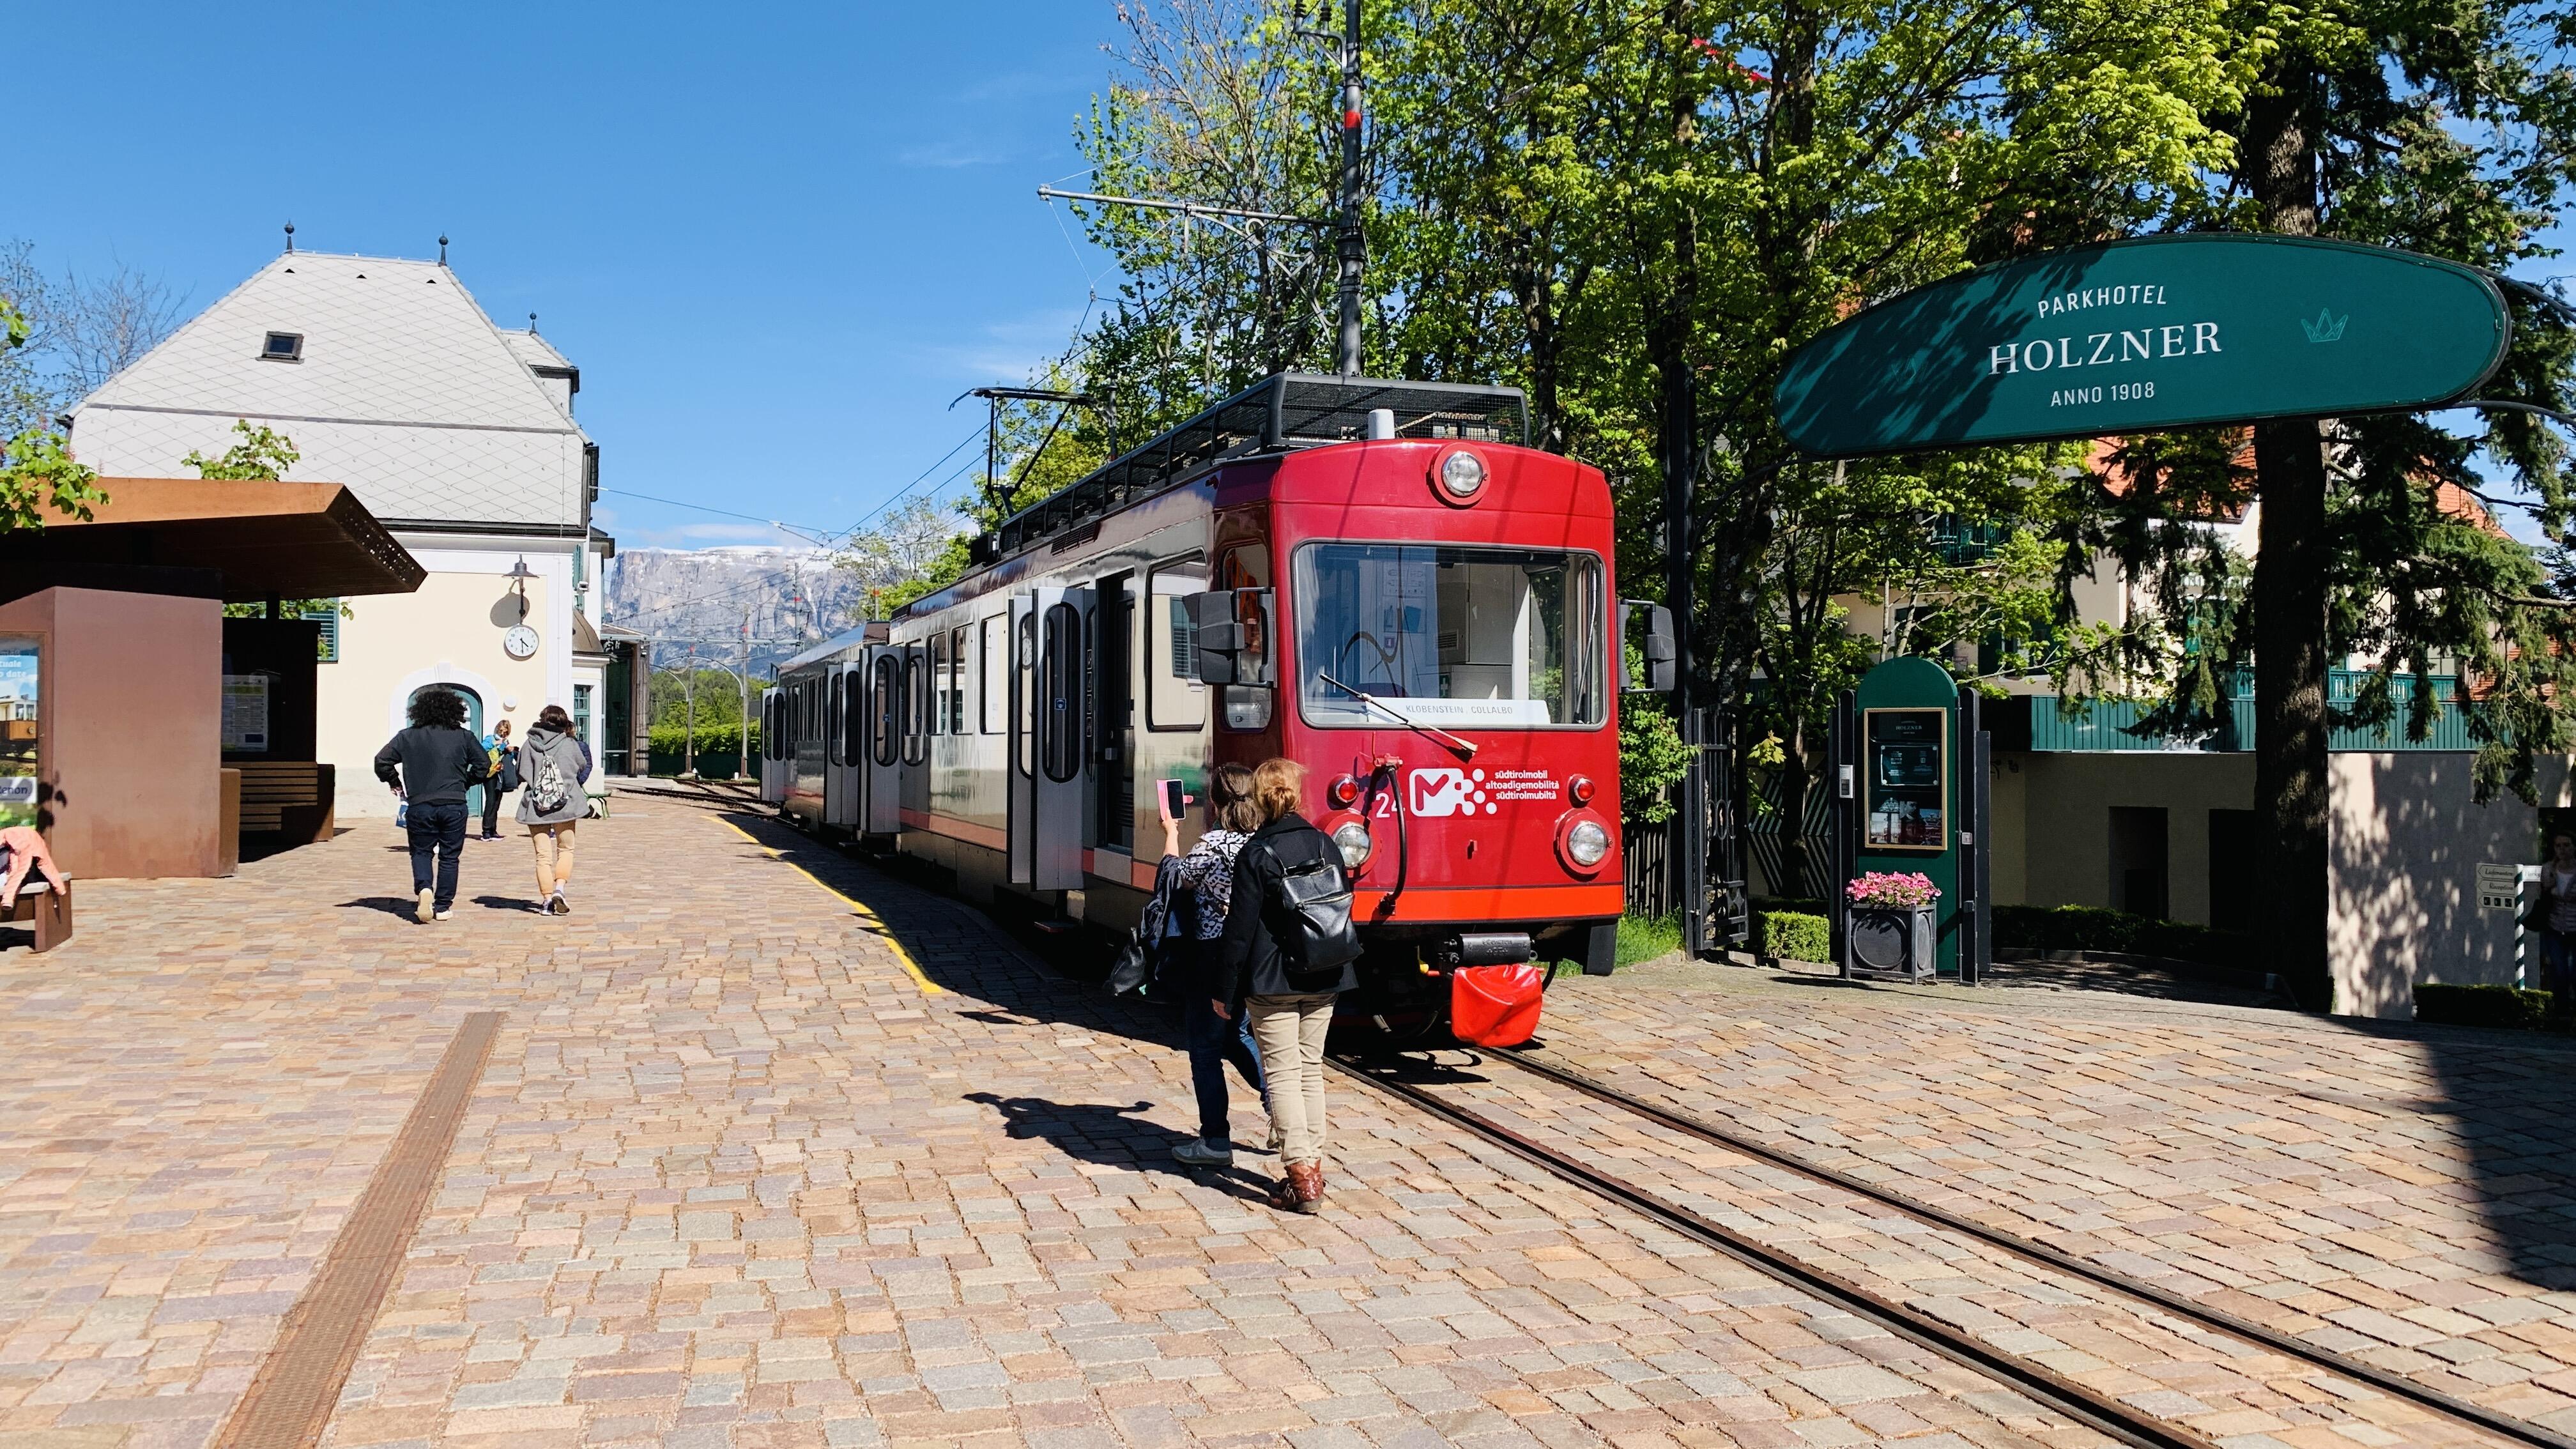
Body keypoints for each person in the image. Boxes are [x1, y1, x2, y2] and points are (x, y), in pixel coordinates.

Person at [1214, 758, 1358, 1213]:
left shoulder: (1256, 853)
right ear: (1297, 795)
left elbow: (1239, 933)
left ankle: (1302, 1175)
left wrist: (1224, 990)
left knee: (1281, 1073)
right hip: (1325, 972)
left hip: (1271, 981)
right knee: (1310, 1068)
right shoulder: (1324, 843)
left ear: (1259, 797)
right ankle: (1312, 1161)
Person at [1160, 763, 1265, 1168]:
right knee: (1237, 1034)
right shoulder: (1261, 841)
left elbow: (1175, 880)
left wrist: (1171, 834)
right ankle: (1280, 1109)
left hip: (1212, 956)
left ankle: (1216, 1141)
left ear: (1216, 803)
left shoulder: (1213, 844)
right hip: (1252, 955)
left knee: (1205, 1048)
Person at [373, 689, 490, 923]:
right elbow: (483, 764)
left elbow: (382, 761)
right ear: (455, 711)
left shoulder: (407, 736)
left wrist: (394, 782)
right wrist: (466, 782)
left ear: (419, 712)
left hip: (420, 805)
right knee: (450, 857)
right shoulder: (464, 737)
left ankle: (425, 888)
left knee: (421, 851)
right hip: (454, 804)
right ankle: (443, 906)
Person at [516, 705, 592, 915]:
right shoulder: (569, 744)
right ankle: (560, 888)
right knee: (566, 849)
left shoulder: (529, 744)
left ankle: (547, 900)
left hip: (536, 806)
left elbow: (520, 771)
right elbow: (581, 765)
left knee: (542, 856)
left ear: (542, 720)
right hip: (566, 804)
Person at [2528, 831, 2576, 1018]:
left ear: (2574, 847)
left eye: (2566, 845)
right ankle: (2561, 1014)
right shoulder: (2548, 869)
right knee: (2559, 971)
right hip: (2554, 927)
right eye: (2558, 846)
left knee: (2574, 972)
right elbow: (2541, 893)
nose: (2562, 850)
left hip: (2574, 927)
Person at [477, 718, 514, 841]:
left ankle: (493, 830)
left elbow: (507, 757)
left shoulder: (506, 742)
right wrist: (497, 743)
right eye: (501, 731)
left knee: (497, 802)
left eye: (506, 732)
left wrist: (509, 750)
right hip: (490, 774)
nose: (503, 734)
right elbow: (482, 749)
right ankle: (486, 830)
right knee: (491, 800)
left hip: (500, 774)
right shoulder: (490, 739)